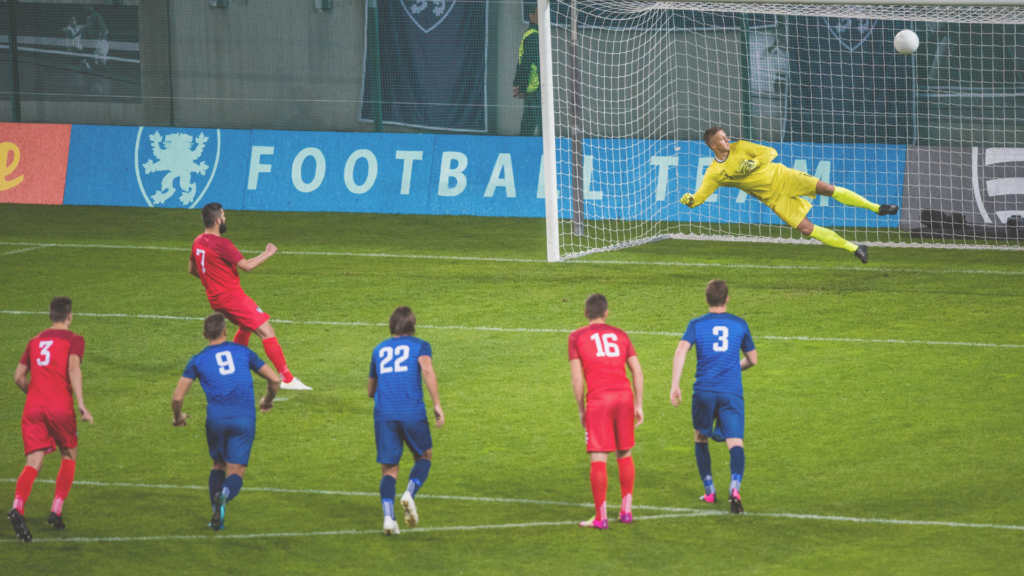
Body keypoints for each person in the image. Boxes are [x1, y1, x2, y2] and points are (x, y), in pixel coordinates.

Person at [681, 127, 900, 263]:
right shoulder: (714, 173)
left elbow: (771, 152)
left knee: (826, 188)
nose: (727, 140)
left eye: (726, 136)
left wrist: (755, 162)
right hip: (773, 198)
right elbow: (699, 197)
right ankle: (855, 248)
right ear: (713, 145)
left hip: (784, 176)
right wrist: (690, 200)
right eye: (722, 139)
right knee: (806, 228)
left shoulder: (742, 147)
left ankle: (877, 208)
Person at [171, 313, 280, 531]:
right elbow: (275, 379)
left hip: (216, 419)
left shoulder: (198, 359)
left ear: (204, 334)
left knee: (218, 464)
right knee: (236, 470)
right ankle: (225, 496)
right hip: (244, 417)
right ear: (225, 331)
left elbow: (177, 397)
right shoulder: (243, 352)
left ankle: (216, 512)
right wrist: (267, 400)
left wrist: (178, 417)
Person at [189, 202, 310, 390]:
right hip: (231, 297)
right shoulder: (222, 244)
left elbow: (192, 270)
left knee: (245, 327)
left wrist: (211, 282)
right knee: (266, 331)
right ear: (218, 220)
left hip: (215, 298)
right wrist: (268, 252)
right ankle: (287, 379)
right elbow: (247, 266)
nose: (226, 218)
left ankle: (235, 371)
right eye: (224, 215)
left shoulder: (197, 241)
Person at [8, 297, 94, 542]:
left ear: (50, 315)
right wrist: (81, 403)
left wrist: (35, 395)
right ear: (70, 316)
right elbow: (73, 368)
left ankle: (17, 507)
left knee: (33, 462)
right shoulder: (74, 339)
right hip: (60, 407)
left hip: (32, 408)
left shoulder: (34, 341)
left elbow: (18, 377)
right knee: (68, 454)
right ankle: (56, 510)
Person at [669, 280, 757, 514]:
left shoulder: (696, 324)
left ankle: (709, 491)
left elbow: (680, 350)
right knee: (735, 441)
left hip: (704, 391)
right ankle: (735, 488)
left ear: (706, 299)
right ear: (727, 299)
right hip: (731, 392)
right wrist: (732, 369)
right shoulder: (739, 324)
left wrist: (675, 384)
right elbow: (753, 359)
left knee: (700, 437)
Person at [568, 294, 644, 529]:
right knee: (625, 453)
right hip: (624, 396)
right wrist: (638, 405)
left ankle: (601, 517)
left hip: (599, 400)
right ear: (607, 313)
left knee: (599, 457)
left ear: (585, 314)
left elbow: (577, 377)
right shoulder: (621, 335)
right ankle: (626, 512)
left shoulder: (576, 336)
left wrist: (582, 409)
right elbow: (637, 372)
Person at [368, 306, 444, 536]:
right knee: (424, 456)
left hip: (384, 413)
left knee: (389, 470)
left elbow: (371, 391)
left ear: (391, 325)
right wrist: (437, 404)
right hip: (412, 411)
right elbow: (427, 369)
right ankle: (410, 493)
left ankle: (389, 519)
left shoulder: (378, 349)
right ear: (413, 325)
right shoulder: (420, 345)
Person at [513, 3, 542, 137]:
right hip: (536, 90)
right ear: (531, 16)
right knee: (542, 125)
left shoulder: (532, 34)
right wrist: (522, 87)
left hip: (532, 89)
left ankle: (525, 151)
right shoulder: (533, 36)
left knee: (527, 126)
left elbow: (521, 61)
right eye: (538, 13)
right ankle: (543, 153)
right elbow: (525, 63)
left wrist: (517, 83)